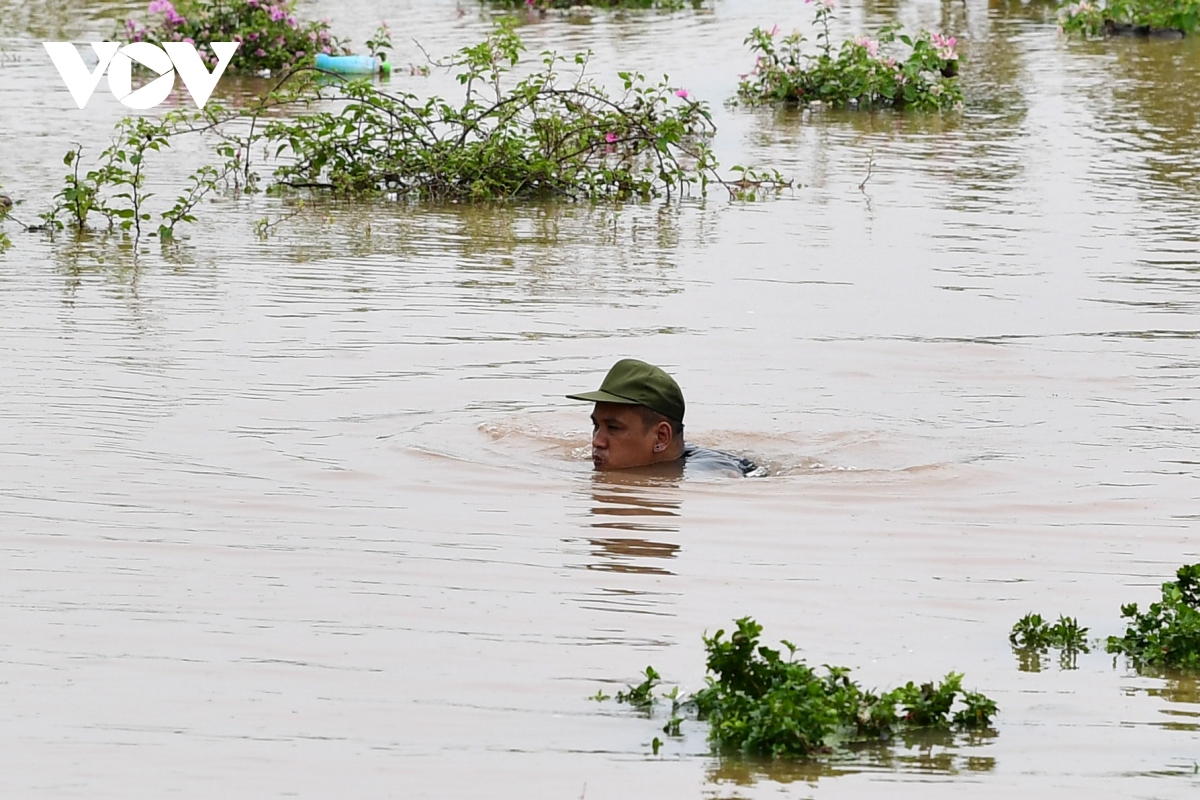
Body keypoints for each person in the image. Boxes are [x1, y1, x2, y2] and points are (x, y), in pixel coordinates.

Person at [567, 358, 762, 477]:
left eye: (614, 428)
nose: (597, 441)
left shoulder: (710, 475)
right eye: (596, 426)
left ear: (661, 437)